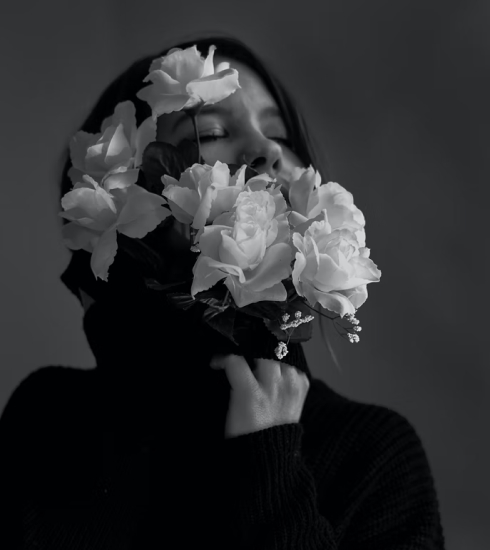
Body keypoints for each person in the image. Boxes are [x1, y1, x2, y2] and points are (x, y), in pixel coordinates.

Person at [0, 34, 446, 549]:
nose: (268, 151)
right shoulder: (50, 422)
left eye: (280, 134)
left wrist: (269, 464)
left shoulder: (373, 453)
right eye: (211, 130)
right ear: (127, 193)